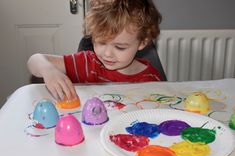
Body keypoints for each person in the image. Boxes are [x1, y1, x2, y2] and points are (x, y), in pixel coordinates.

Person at [27, 0, 163, 101]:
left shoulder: (151, 79)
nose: (107, 53)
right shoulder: (88, 63)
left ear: (142, 42)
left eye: (120, 47)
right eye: (101, 42)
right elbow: (35, 60)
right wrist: (49, 71)